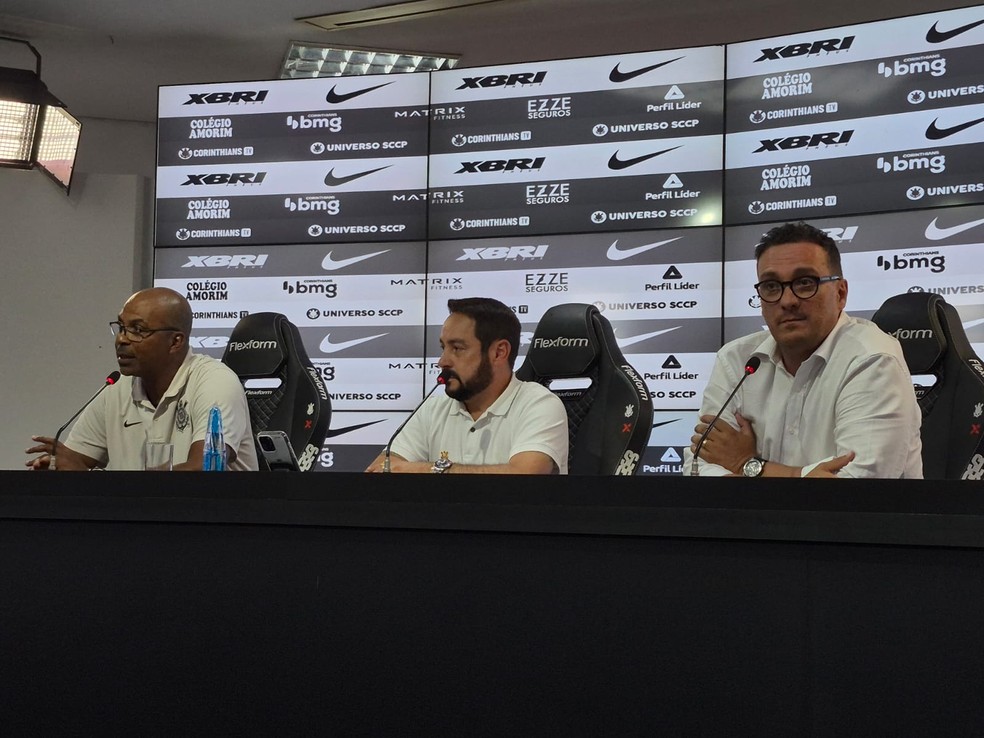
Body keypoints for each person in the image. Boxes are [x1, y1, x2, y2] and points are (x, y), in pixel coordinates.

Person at [684, 221, 922, 478]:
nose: (788, 301)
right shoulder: (737, 359)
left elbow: (854, 491)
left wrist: (747, 464)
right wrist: (801, 477)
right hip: (749, 519)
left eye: (805, 283)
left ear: (840, 293)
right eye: (771, 286)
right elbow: (698, 467)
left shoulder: (872, 359)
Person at [26, 287, 258, 471]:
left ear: (175, 342)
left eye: (138, 330)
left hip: (216, 523)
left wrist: (102, 483)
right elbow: (78, 460)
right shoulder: (117, 388)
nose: (121, 340)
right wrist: (58, 467)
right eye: (121, 327)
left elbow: (205, 467)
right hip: (140, 522)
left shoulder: (214, 381)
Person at [366, 297, 569, 474]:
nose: (442, 361)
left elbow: (525, 475)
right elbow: (380, 469)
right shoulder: (432, 409)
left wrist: (430, 469)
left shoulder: (539, 404)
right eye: (443, 348)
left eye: (457, 348)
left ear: (499, 352)